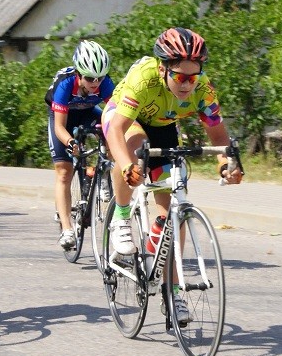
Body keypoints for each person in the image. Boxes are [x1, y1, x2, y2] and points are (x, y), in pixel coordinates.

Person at [102, 27, 243, 322]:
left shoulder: (203, 88)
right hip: (124, 118)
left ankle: (174, 292)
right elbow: (116, 130)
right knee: (135, 147)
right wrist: (129, 166)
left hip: (164, 126)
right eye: (179, 76)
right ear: (163, 68)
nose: (187, 85)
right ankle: (121, 217)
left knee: (173, 213)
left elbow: (217, 133)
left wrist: (225, 165)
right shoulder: (144, 78)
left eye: (193, 77)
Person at [45, 40, 115, 250]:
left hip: (87, 113)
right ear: (78, 73)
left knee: (111, 130)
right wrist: (70, 141)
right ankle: (67, 229)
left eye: (100, 78)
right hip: (63, 117)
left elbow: (116, 114)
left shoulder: (105, 83)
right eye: (90, 78)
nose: (95, 83)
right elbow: (59, 127)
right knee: (64, 172)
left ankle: (103, 174)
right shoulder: (66, 84)